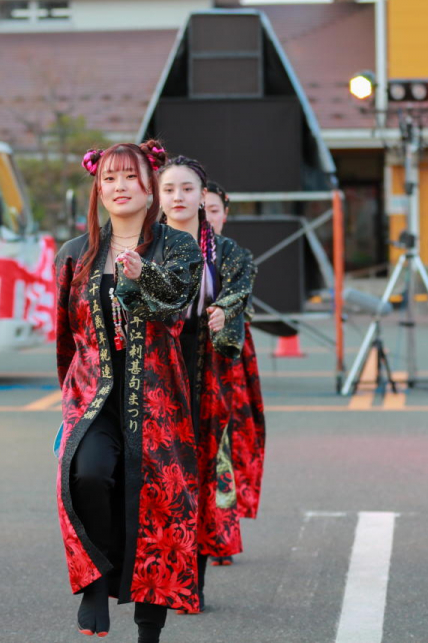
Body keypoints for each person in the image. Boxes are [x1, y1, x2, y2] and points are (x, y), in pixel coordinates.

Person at [56, 141, 203, 642]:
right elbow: (63, 337)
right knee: (89, 476)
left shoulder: (177, 246)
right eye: (110, 179)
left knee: (157, 508)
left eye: (130, 178)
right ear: (98, 189)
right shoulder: (74, 254)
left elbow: (177, 305)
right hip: (93, 396)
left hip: (157, 400)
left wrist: (144, 276)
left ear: (150, 188)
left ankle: (148, 630)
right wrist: (69, 403)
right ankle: (97, 580)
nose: (119, 188)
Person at [157, 157, 250, 609]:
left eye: (187, 189)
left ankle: (190, 580)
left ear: (202, 196)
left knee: (201, 471)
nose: (178, 197)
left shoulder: (228, 253)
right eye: (169, 189)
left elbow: (239, 289)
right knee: (159, 476)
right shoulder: (143, 244)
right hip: (155, 372)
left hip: (206, 372)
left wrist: (224, 310)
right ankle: (154, 576)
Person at [203, 180, 266, 567]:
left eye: (213, 210)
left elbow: (243, 307)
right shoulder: (166, 252)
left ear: (224, 215)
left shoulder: (234, 257)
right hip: (186, 363)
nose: (206, 216)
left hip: (229, 361)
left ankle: (221, 533)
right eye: (201, 208)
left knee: (227, 443)